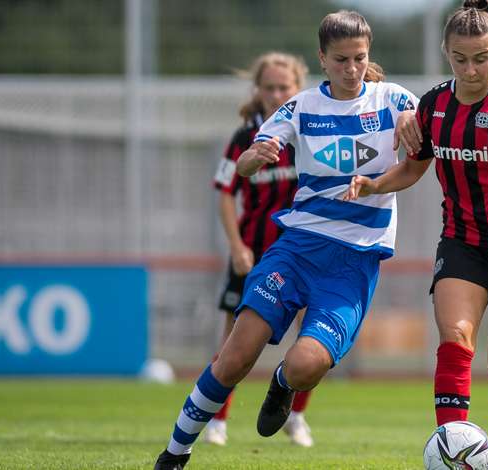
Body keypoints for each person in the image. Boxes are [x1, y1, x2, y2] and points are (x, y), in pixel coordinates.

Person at [154, 10, 418, 470]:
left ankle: (281, 382)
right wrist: (255, 157)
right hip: (297, 249)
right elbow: (243, 167)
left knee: (304, 366)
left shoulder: (394, 100)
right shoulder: (300, 108)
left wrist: (395, 158)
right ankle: (175, 453)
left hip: (353, 263)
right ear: (322, 58)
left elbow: (420, 159)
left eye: (359, 58)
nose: (352, 69)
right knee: (235, 355)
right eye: (340, 60)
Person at [344, 0, 488, 449]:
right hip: (462, 242)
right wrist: (375, 185)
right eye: (460, 58)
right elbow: (413, 170)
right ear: (445, 53)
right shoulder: (432, 105)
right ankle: (450, 446)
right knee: (454, 336)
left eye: (481, 58)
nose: (471, 70)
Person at [205, 51, 314, 448]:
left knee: (310, 336)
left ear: (297, 89)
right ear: (258, 90)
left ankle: (296, 416)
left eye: (283, 87)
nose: (276, 94)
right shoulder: (243, 136)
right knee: (233, 341)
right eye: (269, 87)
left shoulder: (310, 130)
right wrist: (236, 247)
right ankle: (217, 420)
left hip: (302, 251)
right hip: (254, 252)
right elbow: (223, 194)